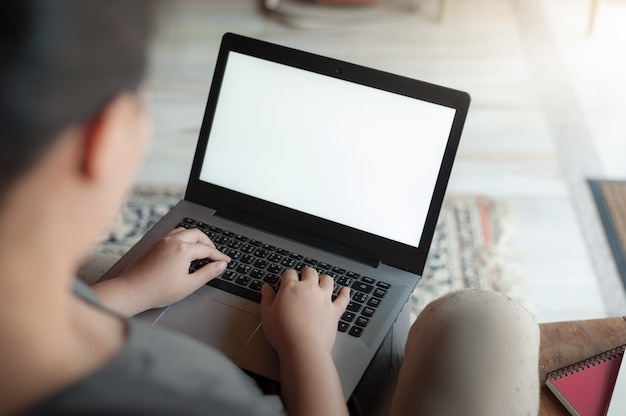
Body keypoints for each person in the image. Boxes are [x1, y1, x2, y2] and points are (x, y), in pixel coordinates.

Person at [0, 1, 541, 415]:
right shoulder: (199, 395)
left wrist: (128, 292)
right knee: (489, 319)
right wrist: (306, 346)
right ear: (105, 140)